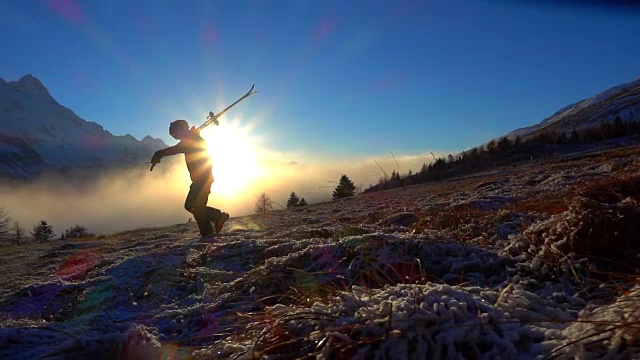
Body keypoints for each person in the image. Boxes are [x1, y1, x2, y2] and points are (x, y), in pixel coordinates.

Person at [151, 120, 229, 241]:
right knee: (197, 206)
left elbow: (174, 149)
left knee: (192, 205)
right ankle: (208, 233)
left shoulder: (191, 141)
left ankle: (217, 217)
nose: (173, 136)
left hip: (202, 179)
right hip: (204, 179)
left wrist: (159, 153)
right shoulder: (194, 139)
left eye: (173, 133)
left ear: (180, 129)